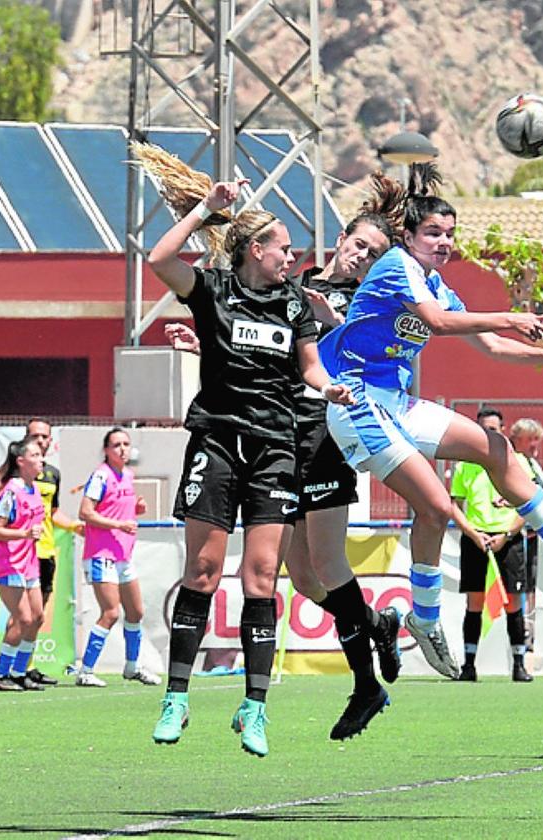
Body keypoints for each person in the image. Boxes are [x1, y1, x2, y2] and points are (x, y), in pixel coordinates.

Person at [318, 163, 543, 680]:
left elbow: (488, 344)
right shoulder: (395, 264)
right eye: (434, 233)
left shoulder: (436, 282)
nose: (444, 242)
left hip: (393, 400)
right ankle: (426, 620)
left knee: (494, 445)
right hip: (357, 403)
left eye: (450, 235)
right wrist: (510, 315)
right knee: (437, 508)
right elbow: (439, 325)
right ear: (410, 236)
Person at [165, 176, 405, 742]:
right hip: (269, 437)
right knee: (301, 577)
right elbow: (258, 345)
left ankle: (365, 682)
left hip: (319, 441)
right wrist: (207, 344)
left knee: (324, 564)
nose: (361, 257)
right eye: (359, 245)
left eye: (374, 255)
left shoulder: (370, 308)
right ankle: (375, 623)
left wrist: (334, 333)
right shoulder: (291, 285)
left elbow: (342, 361)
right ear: (342, 239)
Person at [133, 142, 353, 757]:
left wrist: (328, 386)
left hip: (276, 446)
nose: (292, 258)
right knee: (202, 572)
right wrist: (206, 207)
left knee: (262, 579)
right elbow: (159, 258)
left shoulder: (295, 304)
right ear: (257, 250)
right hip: (218, 440)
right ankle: (176, 696)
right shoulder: (213, 290)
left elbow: (309, 366)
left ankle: (254, 708)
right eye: (284, 248)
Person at [448, 407, 531, 682]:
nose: (487, 434)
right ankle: (469, 665)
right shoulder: (464, 465)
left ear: (502, 431)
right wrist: (473, 534)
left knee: (513, 603)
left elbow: (528, 505)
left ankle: (519, 665)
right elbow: (455, 506)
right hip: (476, 540)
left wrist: (506, 535)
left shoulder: (518, 461)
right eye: (483, 429)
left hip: (508, 540)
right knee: (475, 602)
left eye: (493, 429)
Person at [74, 427, 159, 687]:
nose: (122, 449)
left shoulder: (127, 475)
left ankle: (132, 666)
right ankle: (86, 670)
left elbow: (119, 510)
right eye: (116, 445)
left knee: (135, 611)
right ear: (106, 450)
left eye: (125, 444)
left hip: (123, 556)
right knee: (110, 613)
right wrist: (118, 525)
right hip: (102, 555)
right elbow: (85, 512)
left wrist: (136, 509)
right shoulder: (101, 476)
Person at [0, 435, 47, 692]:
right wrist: (24, 534)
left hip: (28, 562)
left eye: (41, 454)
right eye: (34, 455)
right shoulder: (11, 491)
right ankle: (1, 676)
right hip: (8, 562)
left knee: (38, 617)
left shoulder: (33, 489)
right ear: (21, 461)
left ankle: (20, 672)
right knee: (22, 618)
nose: (41, 459)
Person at [23, 417, 83, 687]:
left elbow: (54, 512)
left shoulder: (52, 473)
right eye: (35, 436)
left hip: (47, 551)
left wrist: (74, 526)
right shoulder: (17, 472)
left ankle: (29, 665)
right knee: (22, 613)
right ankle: (10, 669)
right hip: (23, 552)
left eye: (45, 437)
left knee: (39, 614)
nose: (41, 441)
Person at [508, 417, 543, 653]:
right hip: (513, 534)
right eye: (531, 439)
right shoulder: (512, 461)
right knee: (519, 590)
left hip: (532, 534)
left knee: (532, 586)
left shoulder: (531, 462)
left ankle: (530, 632)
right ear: (518, 439)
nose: (536, 445)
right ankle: (522, 635)